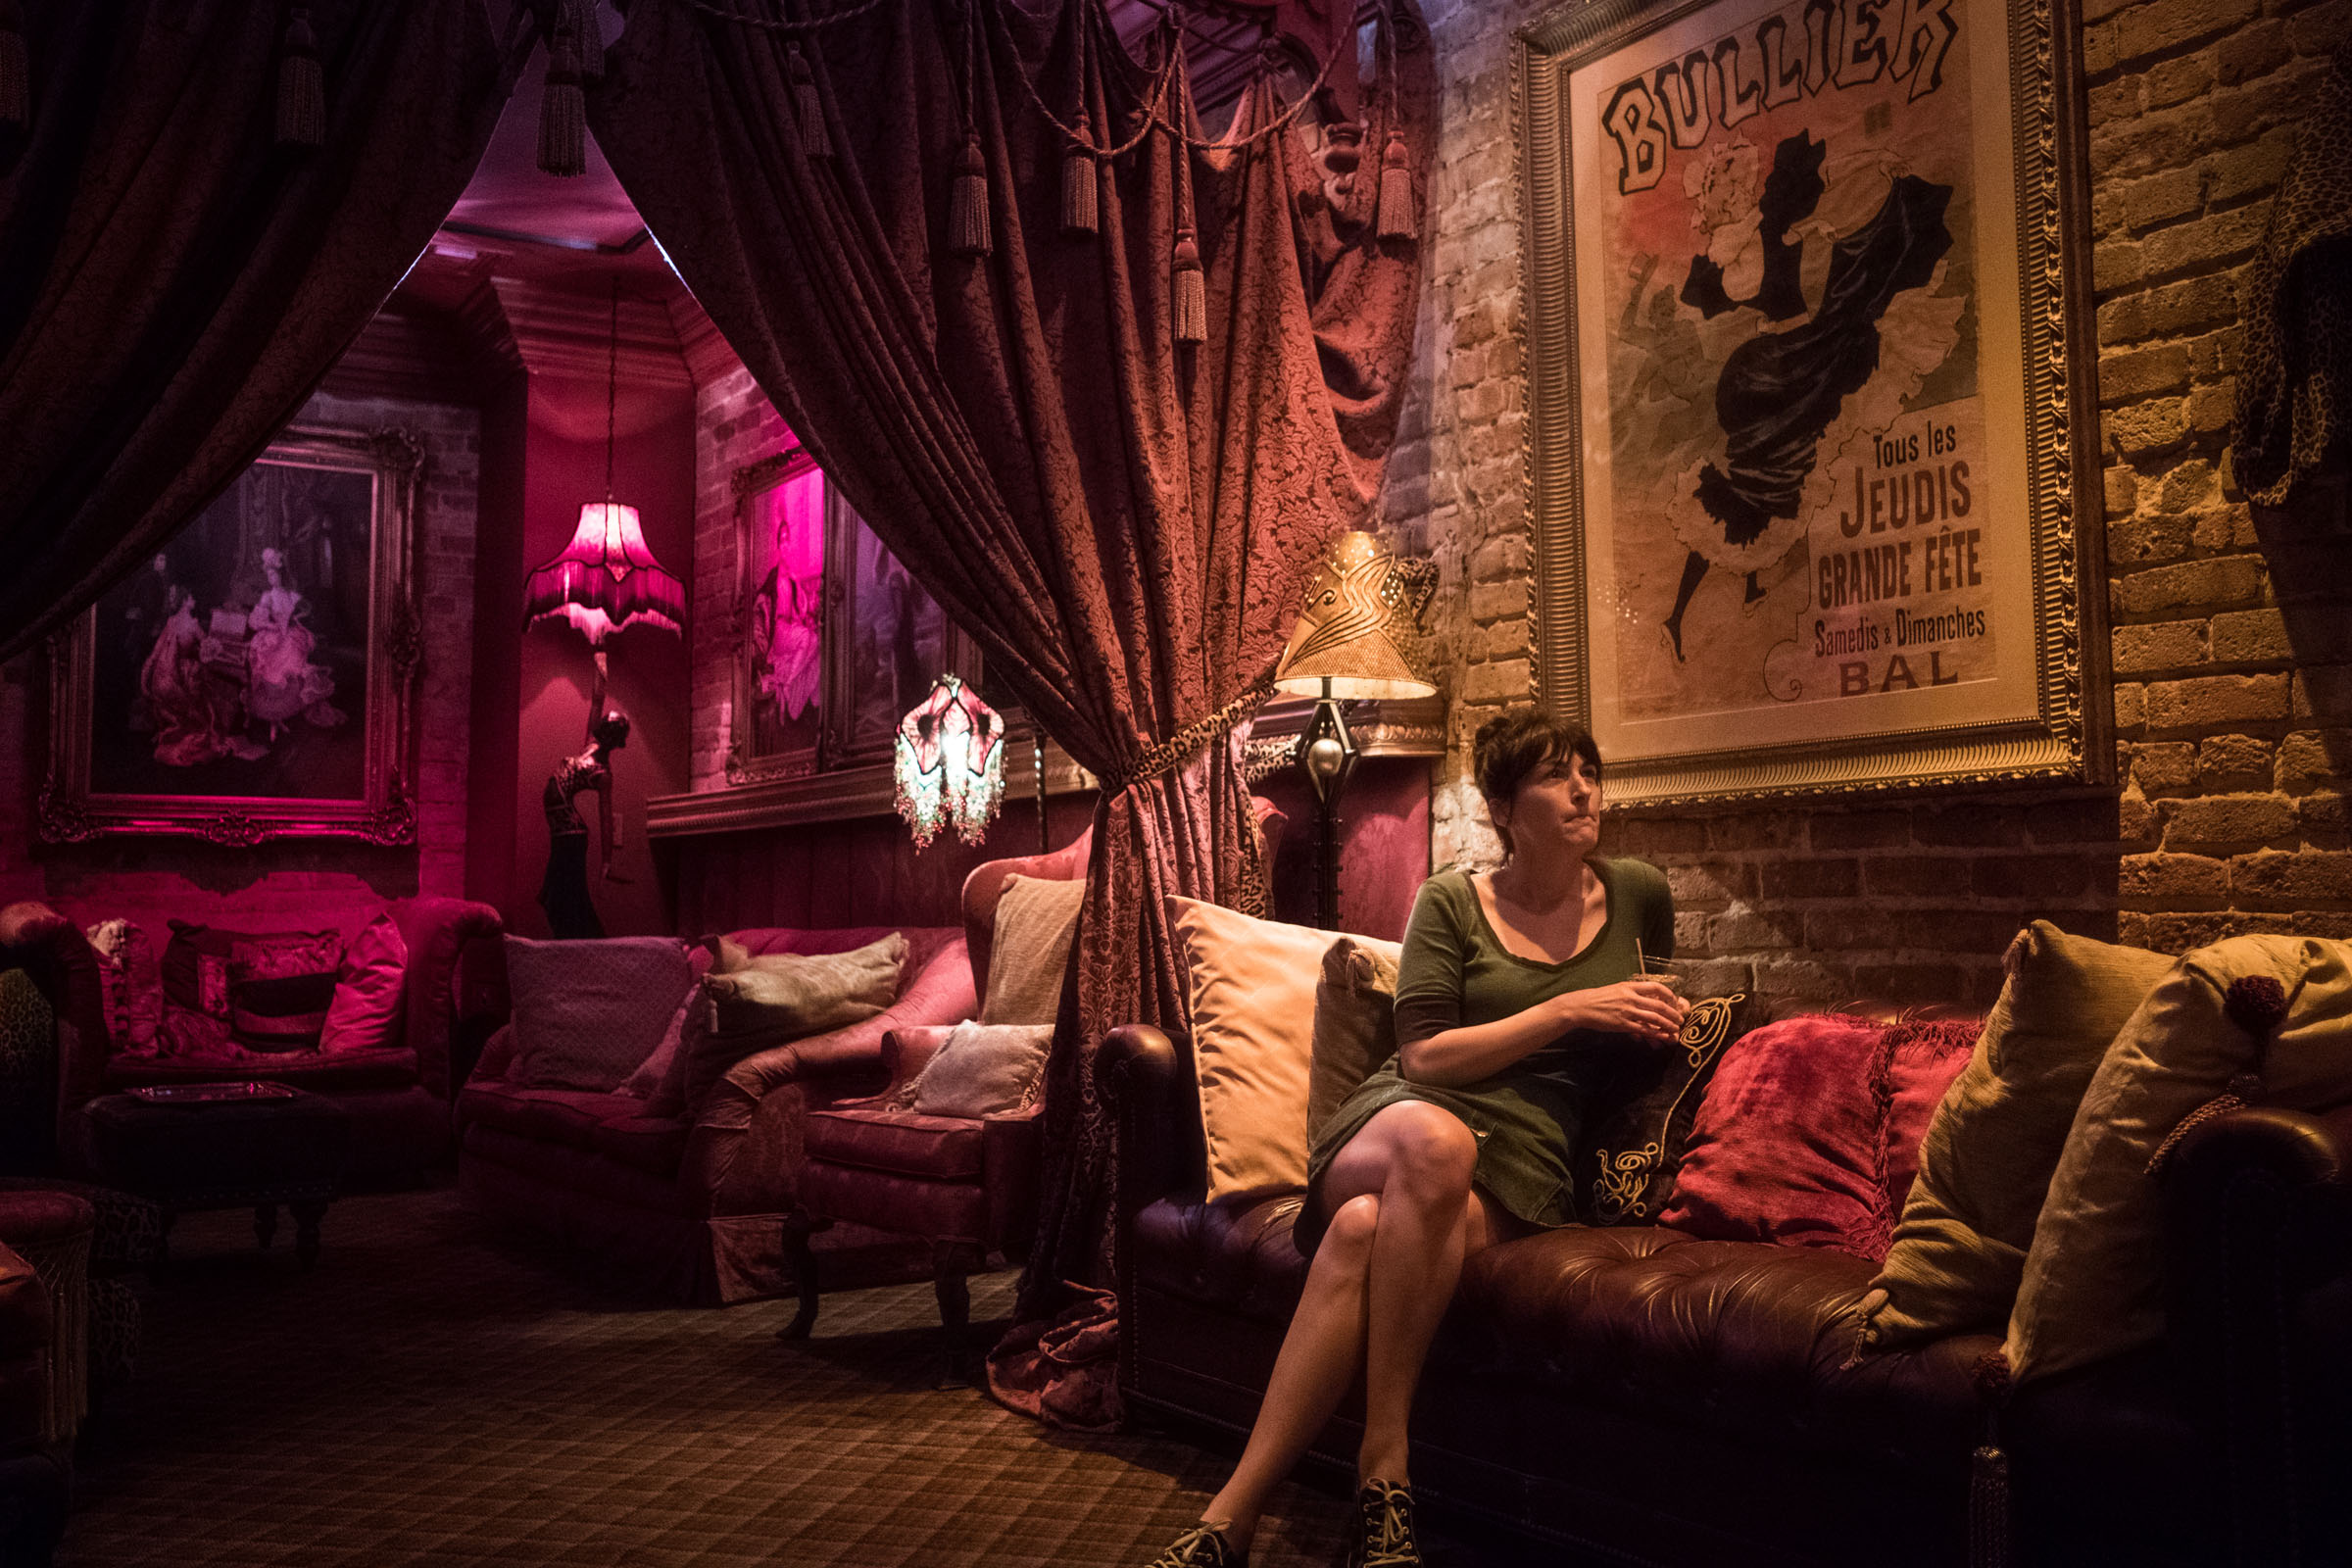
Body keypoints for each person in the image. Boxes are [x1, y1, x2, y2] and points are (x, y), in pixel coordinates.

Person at [1145, 708, 1685, 1568]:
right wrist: (1567, 1009)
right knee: (1438, 1146)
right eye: (1557, 776)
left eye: (1590, 771)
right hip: (1404, 1118)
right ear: (1504, 809)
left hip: (1526, 1162)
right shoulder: (1452, 901)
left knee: (1363, 1232)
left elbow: (1644, 1032)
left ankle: (1231, 1518)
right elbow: (1426, 1054)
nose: (1585, 791)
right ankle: (1386, 1464)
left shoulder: (1640, 896)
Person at [539, 707, 632, 940]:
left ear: (615, 738)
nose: (605, 724)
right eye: (606, 721)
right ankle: (576, 945)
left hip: (571, 834)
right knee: (558, 897)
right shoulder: (589, 745)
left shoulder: (603, 774)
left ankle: (586, 944)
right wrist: (600, 681)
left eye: (611, 726)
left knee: (566, 897)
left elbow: (605, 817)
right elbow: (597, 699)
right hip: (563, 831)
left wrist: (607, 862)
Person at [245, 546, 342, 738]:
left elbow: (306, 612)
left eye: (275, 575)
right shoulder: (267, 596)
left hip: (290, 635)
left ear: (281, 575)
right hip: (273, 638)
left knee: (294, 660)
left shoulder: (292, 595)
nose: (272, 578)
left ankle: (281, 718)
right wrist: (272, 626)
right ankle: (273, 720)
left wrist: (297, 618)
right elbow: (255, 621)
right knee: (271, 672)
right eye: (269, 575)